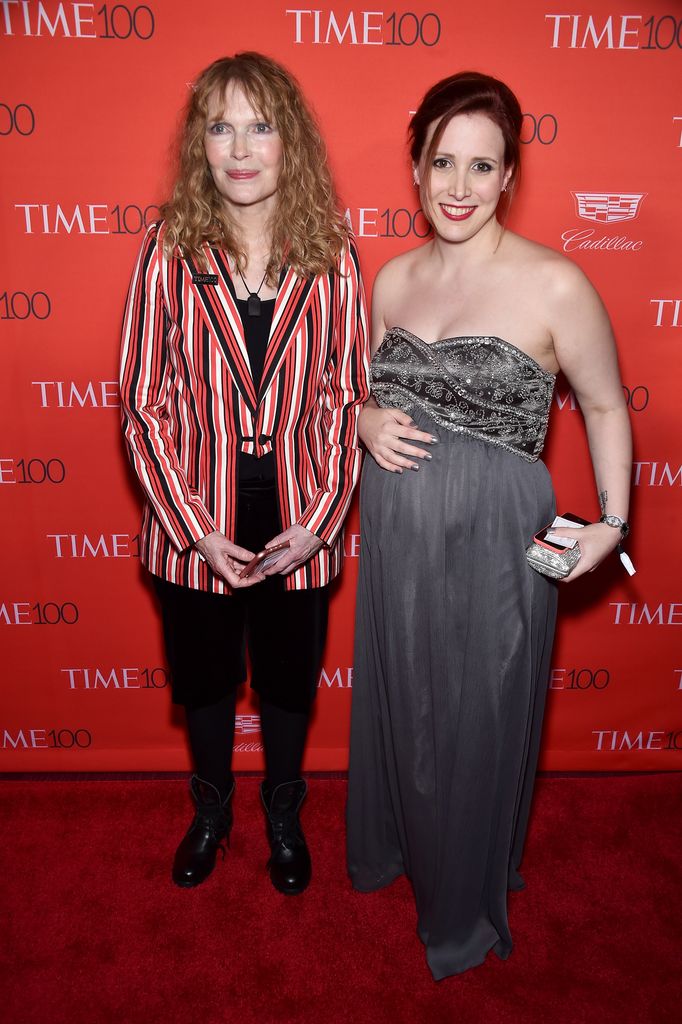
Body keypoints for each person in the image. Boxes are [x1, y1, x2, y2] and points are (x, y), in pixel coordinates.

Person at [346, 71, 632, 978]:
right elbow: (360, 389)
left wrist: (613, 523)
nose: (458, 188)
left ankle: (463, 899)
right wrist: (359, 419)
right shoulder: (389, 278)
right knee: (407, 699)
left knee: (481, 710)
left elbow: (607, 407)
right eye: (442, 164)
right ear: (417, 169)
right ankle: (399, 846)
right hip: (397, 539)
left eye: (482, 166)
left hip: (499, 543)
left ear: (509, 175)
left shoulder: (555, 283)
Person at [120, 52, 368, 895]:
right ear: (201, 143)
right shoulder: (168, 250)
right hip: (197, 519)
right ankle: (212, 811)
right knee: (205, 683)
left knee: (290, 683)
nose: (240, 147)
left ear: (289, 140)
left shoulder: (333, 252)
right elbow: (144, 405)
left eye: (260, 125)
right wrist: (195, 530)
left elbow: (346, 401)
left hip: (301, 514)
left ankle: (285, 817)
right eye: (220, 126)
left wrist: (324, 519)